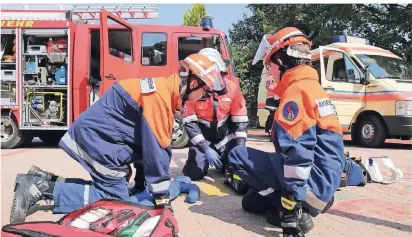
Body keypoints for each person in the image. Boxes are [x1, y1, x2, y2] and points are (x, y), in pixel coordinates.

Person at [10, 73, 182, 224]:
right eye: (206, 93)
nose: (204, 99)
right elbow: (156, 153)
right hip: (99, 143)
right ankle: (39, 187)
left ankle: (49, 179)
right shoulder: (160, 99)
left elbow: (145, 145)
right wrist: (162, 200)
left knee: (115, 189)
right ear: (194, 83)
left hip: (98, 138)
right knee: (115, 201)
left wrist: (139, 186)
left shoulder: (160, 89)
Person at [228, 27, 345, 236]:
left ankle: (295, 208)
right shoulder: (314, 89)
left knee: (237, 155)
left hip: (308, 186)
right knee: (249, 203)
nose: (269, 72)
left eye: (269, 65)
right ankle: (299, 203)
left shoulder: (295, 93)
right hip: (323, 186)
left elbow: (298, 154)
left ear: (281, 62)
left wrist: (290, 213)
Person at [180, 49, 249, 181]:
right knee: (194, 173)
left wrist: (240, 147)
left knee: (236, 168)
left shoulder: (232, 88)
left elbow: (240, 120)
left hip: (225, 139)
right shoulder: (193, 91)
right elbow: (190, 123)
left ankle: (226, 160)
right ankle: (202, 159)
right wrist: (205, 148)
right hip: (203, 140)